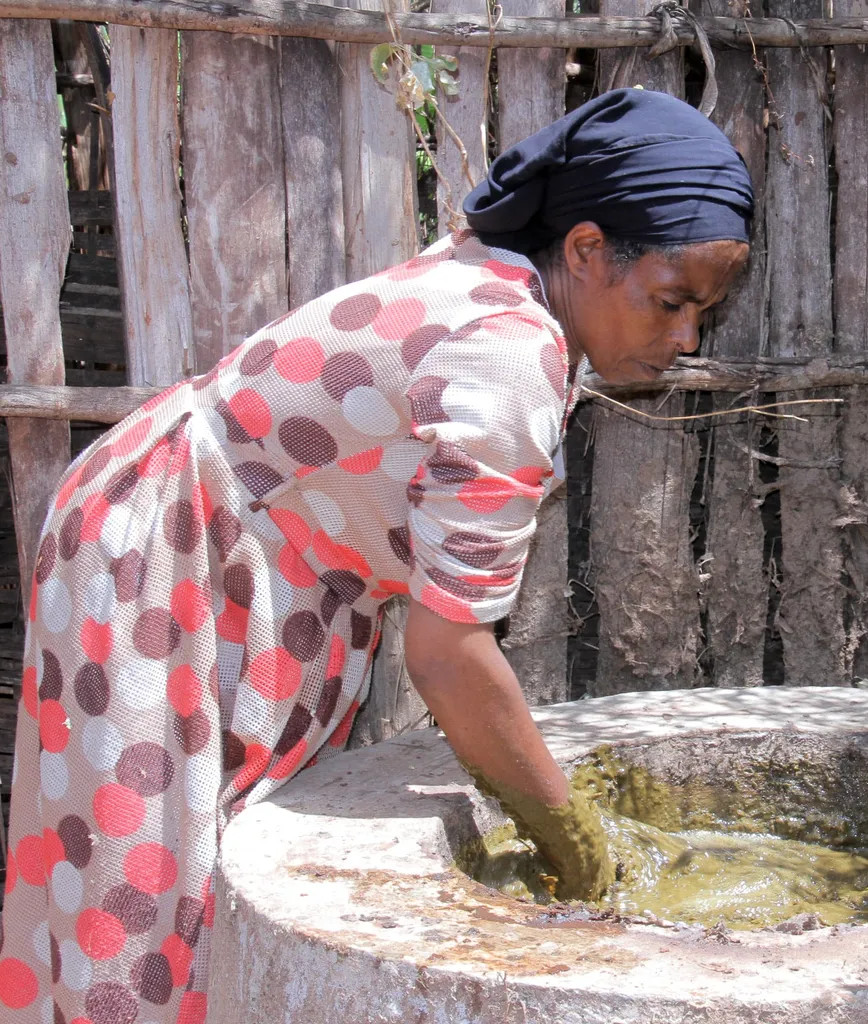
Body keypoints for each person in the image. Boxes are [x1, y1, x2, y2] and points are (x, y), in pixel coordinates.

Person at [0, 87, 753, 1024]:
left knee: (195, 877)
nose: (683, 340)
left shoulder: (505, 289)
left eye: (703, 316)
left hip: (224, 539)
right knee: (144, 890)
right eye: (672, 302)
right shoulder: (509, 355)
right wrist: (579, 850)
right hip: (163, 548)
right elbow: (446, 655)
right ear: (588, 250)